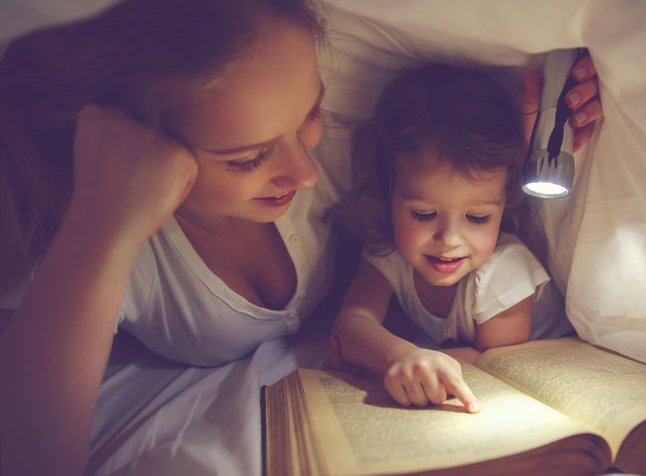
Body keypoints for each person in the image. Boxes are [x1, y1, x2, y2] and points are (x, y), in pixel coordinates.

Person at [0, 0, 603, 473]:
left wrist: (537, 139)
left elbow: (444, 172)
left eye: (308, 115)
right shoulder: (114, 245)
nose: (307, 174)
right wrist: (102, 227)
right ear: (132, 145)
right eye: (248, 157)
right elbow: (30, 457)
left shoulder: (337, 155)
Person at [329, 64, 582, 414]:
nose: (449, 239)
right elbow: (352, 322)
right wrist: (399, 356)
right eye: (423, 214)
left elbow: (492, 361)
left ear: (504, 203)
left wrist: (393, 358)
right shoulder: (389, 249)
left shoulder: (503, 270)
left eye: (477, 218)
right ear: (388, 194)